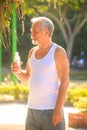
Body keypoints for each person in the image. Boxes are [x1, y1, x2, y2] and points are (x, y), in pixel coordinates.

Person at [11, 16, 69, 130]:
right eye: (31, 31)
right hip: (32, 110)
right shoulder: (32, 52)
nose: (32, 34)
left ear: (46, 32)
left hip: (51, 110)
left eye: (35, 31)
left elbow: (65, 83)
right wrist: (17, 72)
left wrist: (57, 109)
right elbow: (28, 78)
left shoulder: (58, 52)